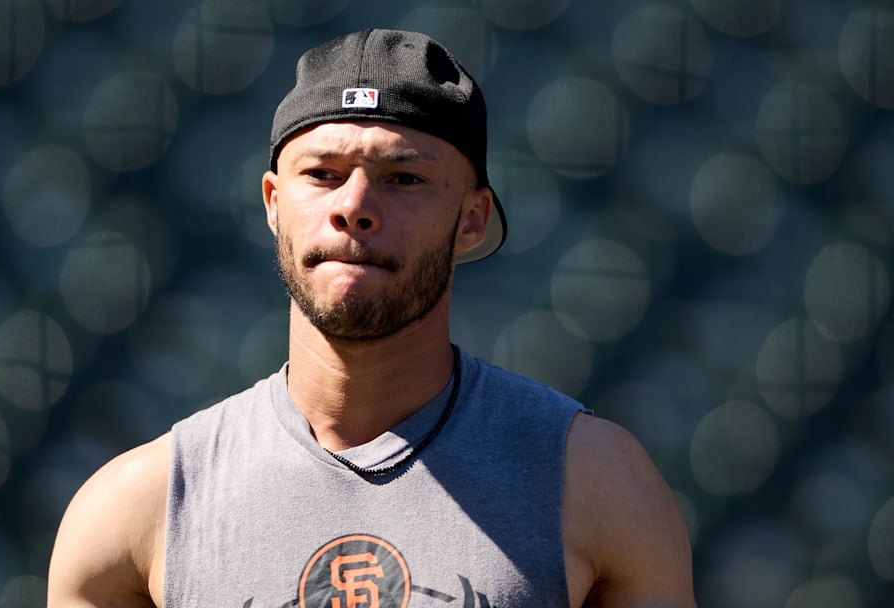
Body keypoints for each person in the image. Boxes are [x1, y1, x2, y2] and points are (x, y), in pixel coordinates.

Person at [48, 29, 696, 608]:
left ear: (471, 218)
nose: (354, 207)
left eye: (404, 179)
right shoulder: (140, 511)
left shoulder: (595, 482)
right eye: (322, 174)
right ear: (274, 202)